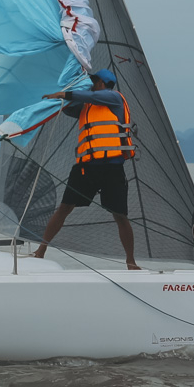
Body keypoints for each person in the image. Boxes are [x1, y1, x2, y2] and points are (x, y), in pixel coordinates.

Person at [31, 68, 141, 270]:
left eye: (93, 81)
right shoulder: (86, 106)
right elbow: (67, 107)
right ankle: (41, 251)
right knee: (64, 208)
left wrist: (65, 94)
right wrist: (60, 92)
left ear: (101, 83)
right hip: (85, 168)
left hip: (112, 168)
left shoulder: (114, 98)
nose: (90, 85)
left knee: (120, 215)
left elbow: (86, 95)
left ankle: (130, 261)